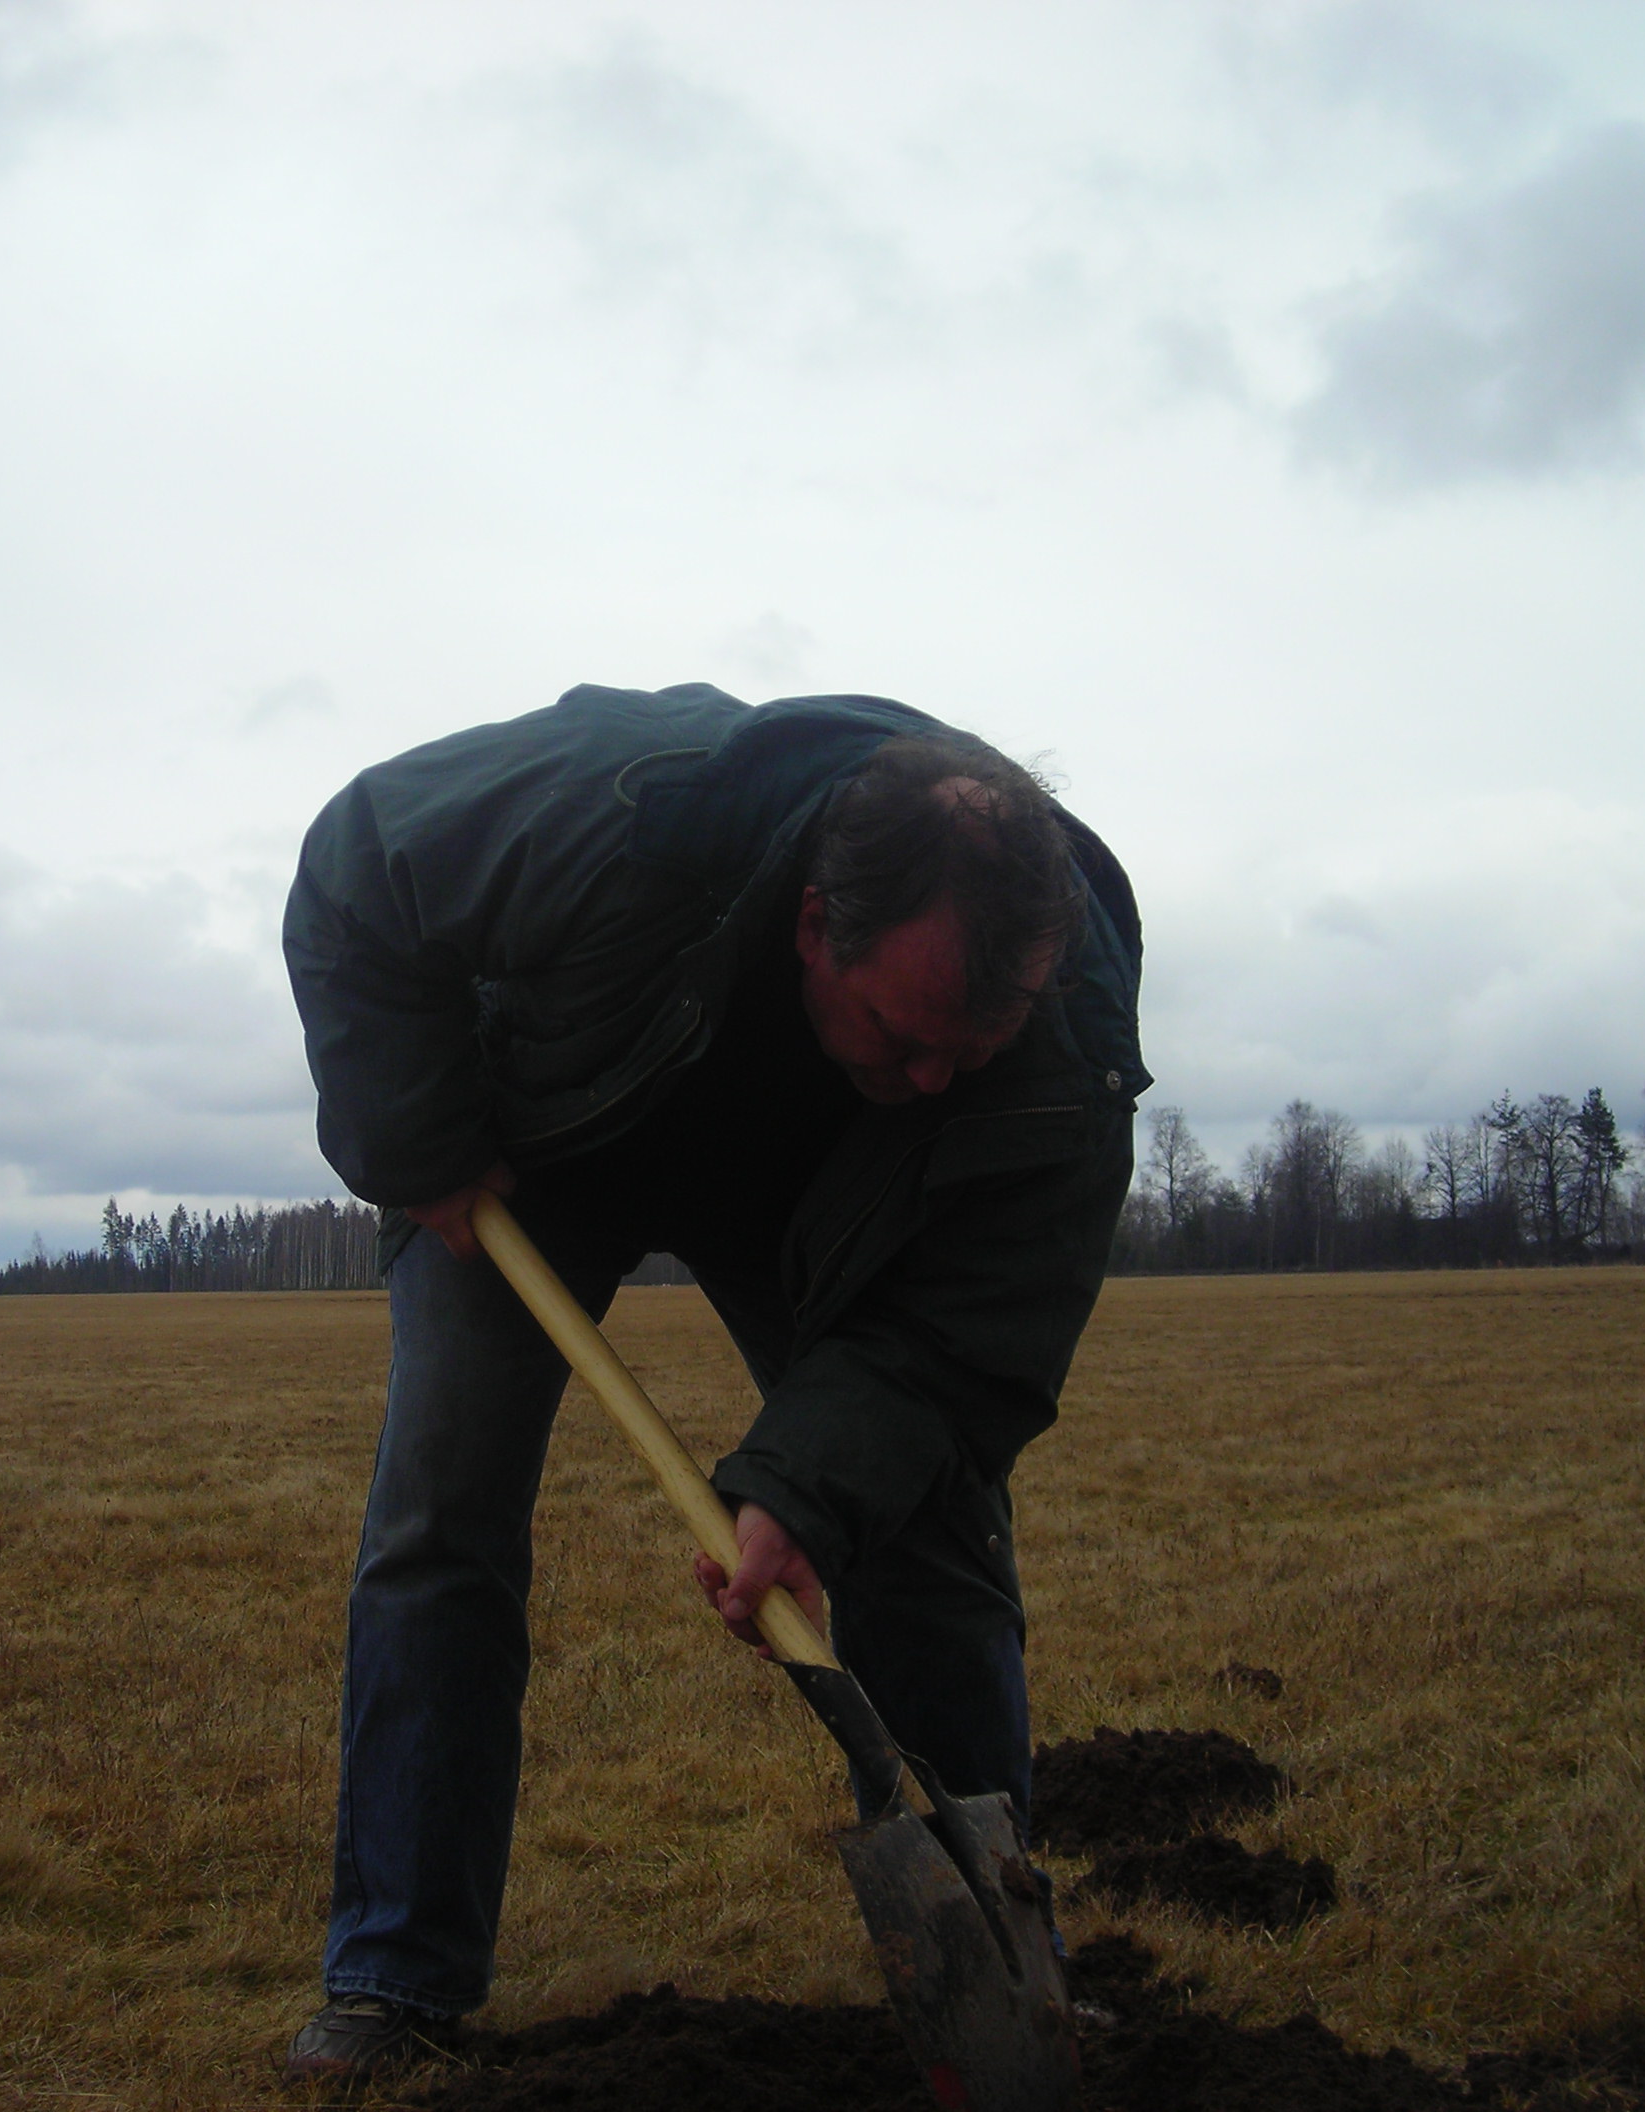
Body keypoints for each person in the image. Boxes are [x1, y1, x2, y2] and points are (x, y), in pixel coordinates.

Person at [277, 681, 1144, 2078]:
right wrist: (411, 1128)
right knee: (443, 1516)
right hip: (533, 1131)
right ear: (816, 923)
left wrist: (806, 1489)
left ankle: (996, 1964)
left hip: (820, 1200)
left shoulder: (1064, 1057)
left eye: (966, 1055)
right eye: (903, 1032)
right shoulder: (624, 806)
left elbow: (956, 1349)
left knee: (930, 1524)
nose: (933, 1079)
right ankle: (392, 1983)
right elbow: (356, 862)